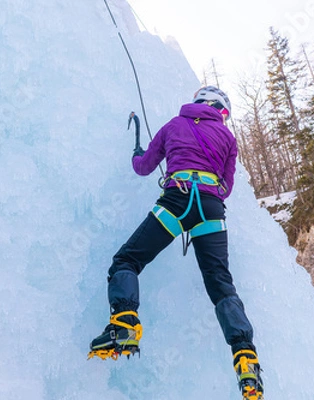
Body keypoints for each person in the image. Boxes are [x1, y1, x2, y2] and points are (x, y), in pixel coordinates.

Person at [88, 86, 263, 399]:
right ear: (220, 110)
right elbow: (227, 187)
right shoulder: (228, 138)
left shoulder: (173, 125)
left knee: (127, 260)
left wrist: (137, 153)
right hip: (210, 209)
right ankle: (246, 358)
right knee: (221, 285)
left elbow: (143, 167)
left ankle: (124, 323)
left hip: (177, 200)